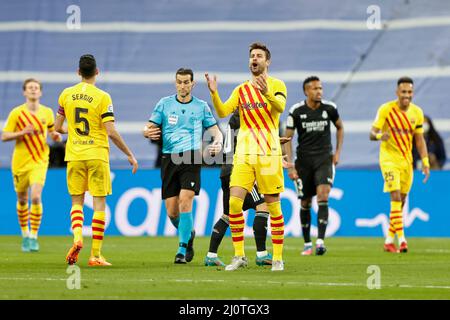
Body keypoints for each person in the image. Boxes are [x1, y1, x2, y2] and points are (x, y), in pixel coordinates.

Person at [205, 42, 287, 272]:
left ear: (267, 61)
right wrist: (213, 92)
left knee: (272, 205)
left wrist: (266, 93)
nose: (255, 59)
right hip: (243, 154)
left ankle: (278, 258)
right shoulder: (241, 90)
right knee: (234, 202)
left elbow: (280, 106)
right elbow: (222, 111)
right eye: (252, 55)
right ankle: (239, 255)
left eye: (259, 56)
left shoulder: (277, 84)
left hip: (268, 153)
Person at [55, 54, 138, 266]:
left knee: (77, 202)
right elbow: (110, 131)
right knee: (99, 203)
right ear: (97, 72)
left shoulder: (66, 94)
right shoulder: (103, 97)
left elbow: (57, 128)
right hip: (97, 155)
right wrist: (129, 153)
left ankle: (77, 238)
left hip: (74, 155)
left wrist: (70, 131)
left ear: (78, 72)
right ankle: (95, 255)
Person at [144, 68, 223, 264]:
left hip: (191, 158)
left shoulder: (201, 106)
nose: (182, 86)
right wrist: (146, 132)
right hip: (169, 159)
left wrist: (218, 142)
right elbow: (149, 127)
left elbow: (215, 131)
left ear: (193, 84)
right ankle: (189, 233)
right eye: (179, 82)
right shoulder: (164, 104)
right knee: (172, 212)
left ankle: (182, 249)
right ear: (175, 83)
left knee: (185, 200)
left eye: (186, 82)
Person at [283, 76, 344, 256]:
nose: (319, 91)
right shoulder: (296, 111)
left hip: (324, 158)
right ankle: (307, 243)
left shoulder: (330, 108)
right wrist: (290, 165)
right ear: (306, 91)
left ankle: (320, 242)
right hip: (303, 162)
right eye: (315, 89)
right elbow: (287, 138)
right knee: (305, 201)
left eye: (321, 88)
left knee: (323, 194)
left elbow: (340, 127)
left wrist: (338, 152)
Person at [204, 110, 272, 267]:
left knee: (228, 215)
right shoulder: (245, 117)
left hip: (226, 171)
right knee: (262, 205)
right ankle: (261, 254)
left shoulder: (235, 119)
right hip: (239, 171)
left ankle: (211, 255)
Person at [370, 76, 430, 253]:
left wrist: (425, 161)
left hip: (406, 161)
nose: (407, 95)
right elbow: (372, 133)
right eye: (403, 92)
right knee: (395, 197)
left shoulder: (417, 113)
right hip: (389, 159)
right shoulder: (386, 109)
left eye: (410, 92)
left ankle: (388, 240)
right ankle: (402, 240)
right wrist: (381, 136)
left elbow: (419, 140)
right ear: (397, 92)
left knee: (401, 201)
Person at [1, 78, 62, 252]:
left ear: (40, 92)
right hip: (20, 162)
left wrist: (55, 137)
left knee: (35, 197)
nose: (33, 90)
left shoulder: (47, 112)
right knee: (22, 199)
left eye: (36, 87)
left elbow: (52, 132)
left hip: (40, 160)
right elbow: (4, 136)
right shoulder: (17, 113)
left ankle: (34, 236)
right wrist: (22, 132)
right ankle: (25, 234)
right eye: (30, 88)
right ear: (24, 92)